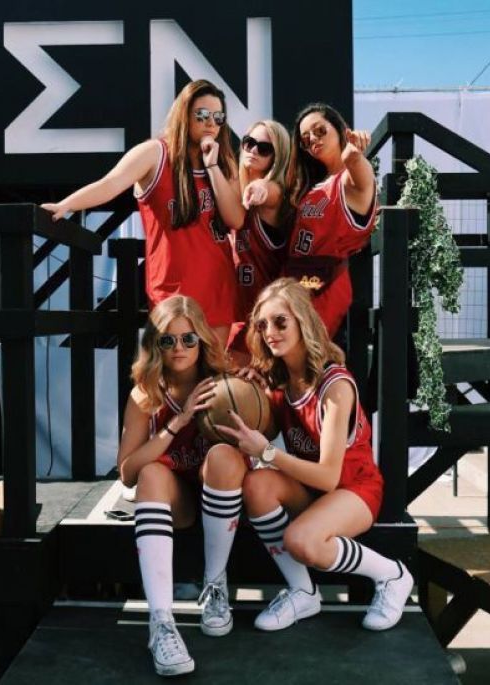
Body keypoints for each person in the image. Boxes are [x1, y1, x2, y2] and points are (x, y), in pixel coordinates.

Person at [216, 278, 413, 633]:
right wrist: (248, 392)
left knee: (301, 541)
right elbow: (263, 434)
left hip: (355, 489)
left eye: (280, 322)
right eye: (262, 325)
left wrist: (267, 452)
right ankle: (302, 591)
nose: (270, 332)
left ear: (303, 322)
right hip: (316, 493)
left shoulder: (335, 385)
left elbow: (328, 476)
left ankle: (392, 575)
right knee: (257, 485)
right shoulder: (280, 382)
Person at [42, 79, 244, 347]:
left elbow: (236, 219)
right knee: (175, 375)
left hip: (218, 286)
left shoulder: (224, 162)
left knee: (213, 381)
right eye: (202, 115)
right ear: (185, 114)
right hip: (173, 291)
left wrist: (213, 166)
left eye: (218, 117)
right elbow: (110, 184)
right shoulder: (155, 153)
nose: (211, 123)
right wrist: (67, 204)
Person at [117, 295, 248, 676]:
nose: (179, 348)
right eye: (168, 340)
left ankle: (215, 585)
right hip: (175, 501)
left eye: (188, 339)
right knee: (152, 473)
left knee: (224, 457)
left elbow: (264, 424)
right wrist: (179, 421)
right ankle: (161, 623)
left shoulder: (224, 381)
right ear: (154, 344)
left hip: (218, 493)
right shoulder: (146, 393)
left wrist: (257, 388)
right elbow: (127, 471)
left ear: (202, 340)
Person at [284, 104, 377, 338]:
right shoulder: (313, 184)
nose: (313, 139)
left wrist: (353, 155)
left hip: (326, 286)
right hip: (297, 282)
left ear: (340, 131)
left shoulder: (347, 180)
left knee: (310, 360)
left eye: (320, 131)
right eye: (306, 139)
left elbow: (361, 175)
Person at [227, 119, 290, 362]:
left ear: (277, 158)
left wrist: (262, 188)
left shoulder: (273, 196)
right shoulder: (234, 188)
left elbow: (272, 191)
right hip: (233, 315)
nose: (253, 151)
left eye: (264, 148)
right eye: (249, 143)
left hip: (262, 324)